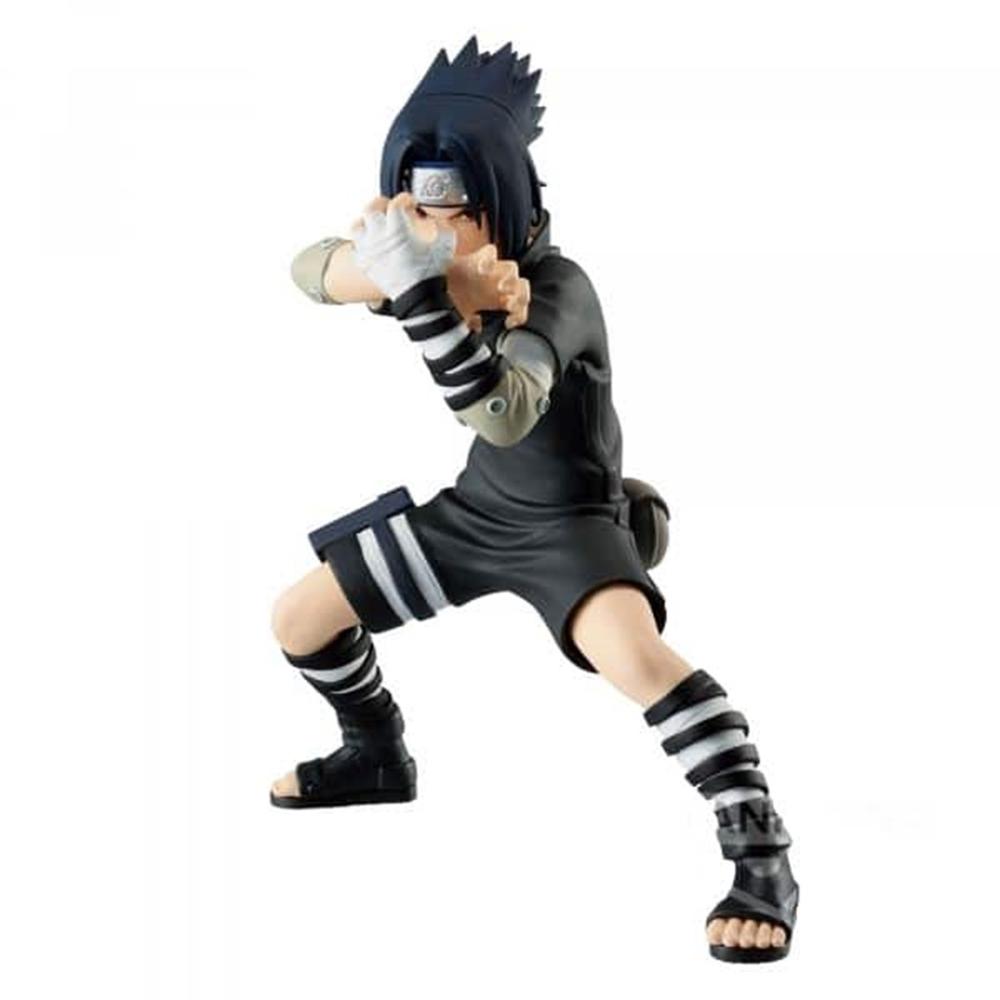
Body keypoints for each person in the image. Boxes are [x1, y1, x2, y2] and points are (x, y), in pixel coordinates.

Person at [271, 36, 799, 963]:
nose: (433, 232)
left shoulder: (557, 292)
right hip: (477, 513)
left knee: (634, 662)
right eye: (415, 212)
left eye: (456, 216)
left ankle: (761, 852)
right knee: (301, 618)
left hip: (570, 527)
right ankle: (376, 752)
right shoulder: (432, 266)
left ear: (506, 210)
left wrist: (425, 302)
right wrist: (394, 273)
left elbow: (504, 413)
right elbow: (309, 270)